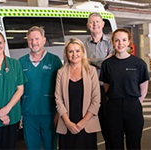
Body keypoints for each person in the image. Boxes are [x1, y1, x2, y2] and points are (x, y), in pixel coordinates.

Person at [99, 28, 149, 149]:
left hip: (133, 107)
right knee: (115, 144)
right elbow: (107, 87)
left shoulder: (139, 63)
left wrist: (136, 103)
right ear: (112, 42)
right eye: (117, 40)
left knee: (134, 144)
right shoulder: (107, 64)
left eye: (123, 40)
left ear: (128, 42)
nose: (120, 43)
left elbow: (143, 88)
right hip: (113, 107)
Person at [19, 26, 62, 149]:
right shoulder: (21, 62)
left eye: (37, 39)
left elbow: (61, 88)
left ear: (44, 40)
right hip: (28, 113)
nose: (34, 42)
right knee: (32, 147)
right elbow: (17, 90)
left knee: (50, 146)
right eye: (31, 39)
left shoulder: (54, 60)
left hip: (49, 113)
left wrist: (59, 113)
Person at [55, 38, 101, 149]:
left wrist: (83, 123)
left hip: (87, 123)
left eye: (77, 51)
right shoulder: (61, 72)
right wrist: (68, 123)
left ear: (82, 52)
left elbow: (96, 99)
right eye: (70, 51)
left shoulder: (91, 71)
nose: (74, 54)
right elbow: (58, 99)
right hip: (67, 124)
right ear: (66, 54)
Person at [83, 12, 114, 149]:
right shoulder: (83, 44)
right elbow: (81, 63)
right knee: (90, 124)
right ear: (88, 25)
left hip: (107, 88)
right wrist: (101, 61)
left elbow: (110, 63)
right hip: (89, 88)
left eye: (97, 21)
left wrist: (90, 61)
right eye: (92, 22)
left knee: (109, 124)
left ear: (103, 24)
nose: (95, 24)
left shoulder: (112, 42)